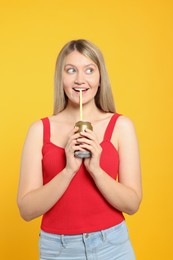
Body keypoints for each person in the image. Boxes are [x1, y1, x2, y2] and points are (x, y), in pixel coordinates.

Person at [17, 39, 142, 260]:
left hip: (113, 246)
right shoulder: (39, 130)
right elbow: (27, 211)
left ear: (100, 77)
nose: (80, 79)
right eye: (71, 70)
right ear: (61, 77)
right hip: (57, 249)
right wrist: (68, 171)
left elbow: (132, 204)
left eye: (89, 70)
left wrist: (96, 170)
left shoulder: (121, 126)